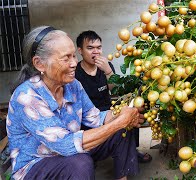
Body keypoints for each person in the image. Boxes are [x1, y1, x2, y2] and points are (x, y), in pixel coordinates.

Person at [7, 26, 144, 180]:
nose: (73, 63)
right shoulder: (27, 97)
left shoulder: (73, 86)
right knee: (80, 163)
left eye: (73, 56)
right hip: (37, 165)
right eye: (66, 58)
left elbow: (95, 118)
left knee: (122, 132)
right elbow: (65, 144)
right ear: (39, 64)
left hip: (70, 153)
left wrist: (126, 112)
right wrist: (119, 122)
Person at [75, 30, 152, 163]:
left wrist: (108, 71)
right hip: (87, 115)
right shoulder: (76, 72)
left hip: (107, 109)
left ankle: (132, 149)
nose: (96, 52)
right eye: (90, 48)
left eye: (98, 48)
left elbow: (115, 90)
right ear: (80, 50)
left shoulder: (106, 66)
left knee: (131, 110)